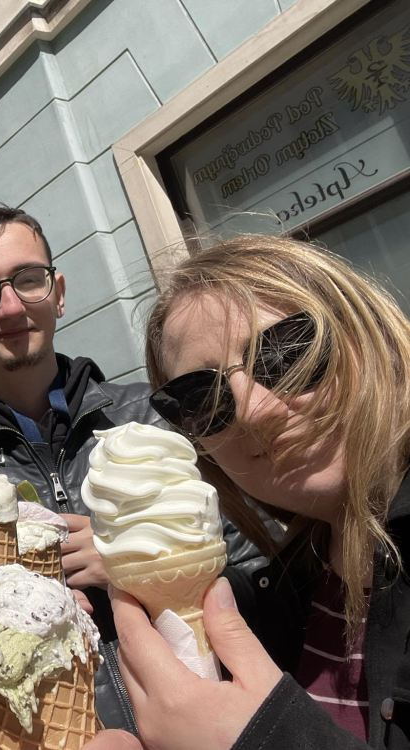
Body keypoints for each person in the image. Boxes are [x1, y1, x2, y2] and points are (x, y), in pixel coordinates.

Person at [0, 206, 267, 731]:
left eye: (28, 279)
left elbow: (264, 580)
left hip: (221, 723)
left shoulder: (159, 416)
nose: (10, 306)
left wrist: (138, 569)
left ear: (58, 292)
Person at [113, 234, 410, 749]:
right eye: (202, 398)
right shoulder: (287, 592)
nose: (254, 410)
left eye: (286, 352)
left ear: (371, 333)